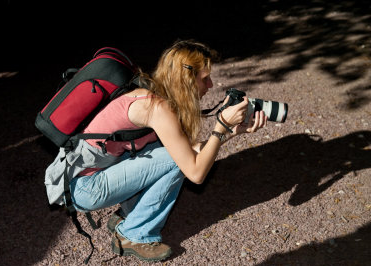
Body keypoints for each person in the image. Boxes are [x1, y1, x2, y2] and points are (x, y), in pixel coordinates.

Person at [68, 39, 267, 261]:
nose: (210, 85)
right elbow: (195, 171)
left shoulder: (154, 93)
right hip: (86, 188)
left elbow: (189, 150)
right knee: (176, 160)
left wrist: (232, 131)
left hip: (88, 176)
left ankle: (128, 215)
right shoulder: (157, 108)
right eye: (205, 78)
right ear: (187, 79)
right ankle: (134, 233)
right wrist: (220, 128)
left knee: (172, 154)